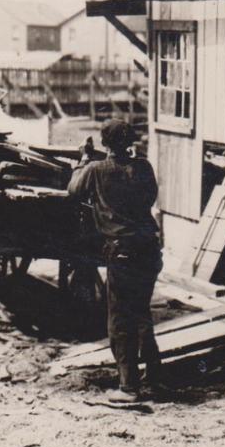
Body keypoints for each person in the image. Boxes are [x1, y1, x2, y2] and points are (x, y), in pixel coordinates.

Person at [67, 119, 164, 402]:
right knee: (142, 313)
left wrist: (84, 160)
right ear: (131, 141)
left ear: (104, 143)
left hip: (122, 252)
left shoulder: (95, 170)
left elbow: (74, 191)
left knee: (120, 318)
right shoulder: (144, 168)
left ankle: (128, 387)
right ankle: (155, 379)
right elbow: (144, 191)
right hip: (149, 249)